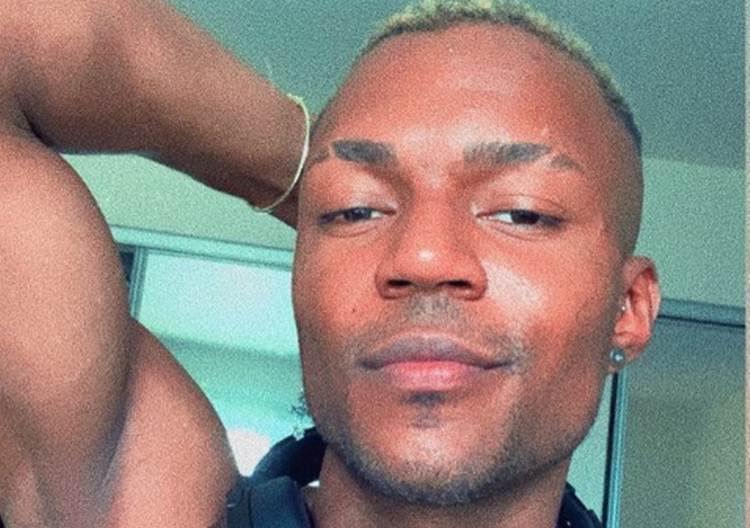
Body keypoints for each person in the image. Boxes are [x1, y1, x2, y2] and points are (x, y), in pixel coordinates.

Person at [0, 0, 661, 527]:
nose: (422, 256)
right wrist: (304, 174)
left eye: (521, 213)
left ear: (628, 309)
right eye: (353, 212)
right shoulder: (146, 506)